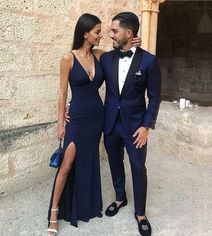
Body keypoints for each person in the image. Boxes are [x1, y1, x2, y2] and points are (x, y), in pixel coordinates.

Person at [47, 13, 141, 236]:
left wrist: (136, 43)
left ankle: (86, 205)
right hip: (77, 118)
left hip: (96, 118)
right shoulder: (68, 58)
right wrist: (61, 123)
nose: (102, 35)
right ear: (85, 33)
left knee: (88, 161)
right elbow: (61, 94)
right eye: (98, 31)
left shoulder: (100, 56)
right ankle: (53, 212)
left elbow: (124, 56)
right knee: (66, 164)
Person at [100, 12, 161, 236]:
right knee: (115, 162)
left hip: (136, 127)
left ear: (129, 33)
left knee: (137, 167)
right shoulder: (106, 59)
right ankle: (120, 198)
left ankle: (141, 213)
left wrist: (146, 126)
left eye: (114, 31)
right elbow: (88, 80)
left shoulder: (148, 61)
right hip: (111, 125)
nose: (110, 35)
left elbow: (155, 97)